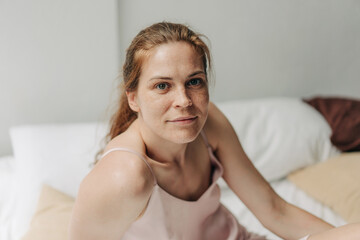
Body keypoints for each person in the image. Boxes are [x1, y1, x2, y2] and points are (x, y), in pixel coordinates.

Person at [69, 22, 360, 240]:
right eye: (162, 86)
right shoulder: (125, 176)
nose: (183, 101)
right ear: (133, 98)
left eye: (194, 82)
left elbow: (274, 210)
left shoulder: (209, 124)